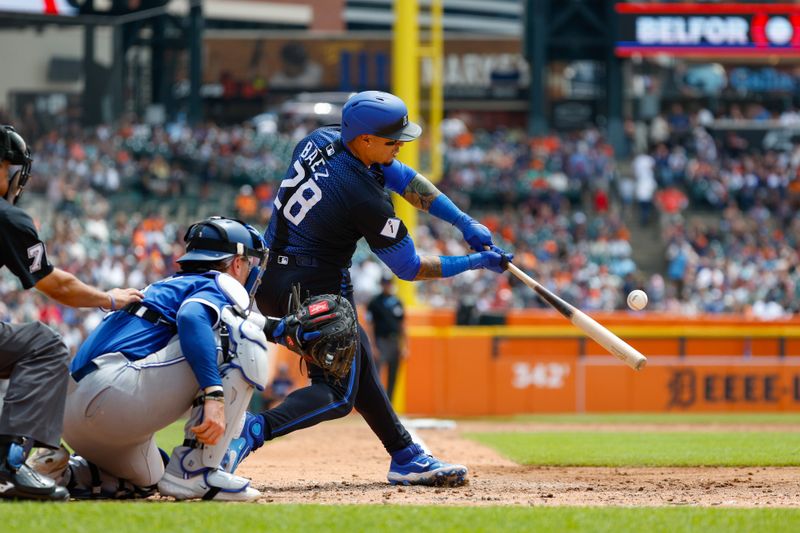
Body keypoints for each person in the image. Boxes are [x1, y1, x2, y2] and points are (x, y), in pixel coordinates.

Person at [228, 90, 513, 487]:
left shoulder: (322, 139)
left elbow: (405, 178)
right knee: (338, 394)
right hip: (316, 289)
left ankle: (406, 455)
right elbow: (410, 268)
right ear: (365, 140)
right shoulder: (364, 197)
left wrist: (464, 223)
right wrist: (477, 262)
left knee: (360, 365)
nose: (400, 146)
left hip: (272, 276)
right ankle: (251, 431)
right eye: (392, 140)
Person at [30, 217, 277, 501]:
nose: (250, 270)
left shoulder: (167, 285)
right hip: (110, 396)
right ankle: (196, 470)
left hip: (73, 414)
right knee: (242, 337)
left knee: (149, 479)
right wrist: (214, 394)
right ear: (236, 262)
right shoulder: (220, 281)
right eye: (249, 263)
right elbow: (192, 317)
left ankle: (60, 472)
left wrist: (284, 329)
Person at [0, 125, 143, 501]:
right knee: (43, 345)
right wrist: (108, 298)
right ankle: (7, 467)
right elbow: (54, 284)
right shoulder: (7, 218)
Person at [366, 276, 405, 402]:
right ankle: (377, 404)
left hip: (395, 342)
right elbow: (370, 325)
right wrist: (372, 346)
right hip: (381, 342)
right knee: (377, 374)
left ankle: (390, 404)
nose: (387, 286)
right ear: (381, 285)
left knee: (393, 376)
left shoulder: (397, 301)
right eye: (385, 283)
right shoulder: (374, 302)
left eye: (389, 283)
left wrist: (404, 346)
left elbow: (402, 325)